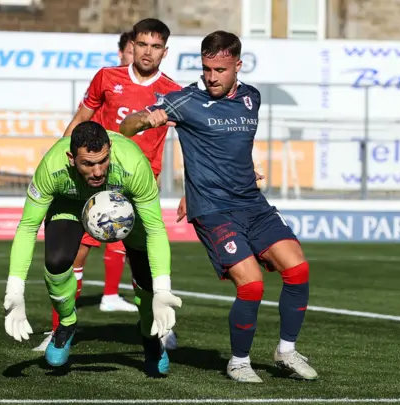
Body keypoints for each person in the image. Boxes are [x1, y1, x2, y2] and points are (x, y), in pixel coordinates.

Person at [119, 31, 318, 383]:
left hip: (252, 204)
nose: (211, 77)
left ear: (237, 66)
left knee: (298, 270)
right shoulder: (184, 101)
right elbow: (126, 125)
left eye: (220, 70)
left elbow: (234, 145)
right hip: (212, 209)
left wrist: (244, 168)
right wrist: (143, 120)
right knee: (252, 285)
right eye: (206, 68)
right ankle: (239, 361)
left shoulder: (252, 98)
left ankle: (286, 351)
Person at [35, 18, 182, 352]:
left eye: (155, 46)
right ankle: (59, 330)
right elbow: (80, 120)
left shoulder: (174, 92)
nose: (147, 52)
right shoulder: (107, 77)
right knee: (72, 253)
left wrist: (191, 188)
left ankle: (158, 327)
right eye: (142, 44)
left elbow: (190, 142)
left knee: (143, 262)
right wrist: (60, 157)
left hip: (139, 186)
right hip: (96, 183)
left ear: (165, 51)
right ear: (133, 45)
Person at [4, 121, 182, 376]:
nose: (98, 171)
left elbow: (155, 228)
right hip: (70, 205)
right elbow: (27, 226)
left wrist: (163, 288)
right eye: (88, 164)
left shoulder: (133, 164)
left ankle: (150, 336)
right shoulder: (52, 166)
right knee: (56, 261)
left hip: (125, 206)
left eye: (103, 161)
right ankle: (66, 324)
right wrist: (15, 288)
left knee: (147, 277)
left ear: (110, 149)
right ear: (71, 158)